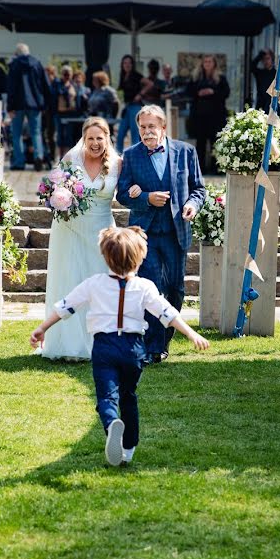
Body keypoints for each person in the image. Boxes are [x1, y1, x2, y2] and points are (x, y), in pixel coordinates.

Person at [30, 226, 210, 466]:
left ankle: (111, 422)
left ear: (105, 256)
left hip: (104, 347)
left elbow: (66, 307)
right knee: (128, 396)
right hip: (133, 348)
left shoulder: (93, 284)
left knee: (106, 397)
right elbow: (166, 313)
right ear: (140, 258)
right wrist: (190, 333)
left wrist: (42, 328)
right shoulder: (145, 286)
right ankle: (128, 451)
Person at [116, 105, 206, 363]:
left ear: (163, 128)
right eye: (142, 128)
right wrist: (146, 198)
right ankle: (154, 346)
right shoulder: (132, 155)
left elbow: (199, 189)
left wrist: (192, 205)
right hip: (144, 234)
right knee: (153, 287)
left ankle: (164, 337)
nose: (146, 132)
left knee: (176, 289)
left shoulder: (186, 152)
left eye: (151, 127)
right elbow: (122, 195)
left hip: (177, 231)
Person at [41, 117, 121, 361]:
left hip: (102, 231)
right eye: (90, 139)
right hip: (70, 230)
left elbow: (128, 191)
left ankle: (101, 343)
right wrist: (58, 196)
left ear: (107, 138)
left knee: (102, 284)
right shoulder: (70, 159)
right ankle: (68, 344)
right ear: (83, 140)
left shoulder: (118, 164)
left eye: (100, 138)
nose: (95, 143)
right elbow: (50, 189)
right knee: (70, 280)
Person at [6, 43, 50, 171]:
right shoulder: (37, 63)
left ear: (17, 54)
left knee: (16, 133)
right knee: (36, 132)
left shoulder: (14, 65)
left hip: (17, 104)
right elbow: (45, 84)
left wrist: (10, 106)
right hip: (35, 103)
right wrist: (45, 103)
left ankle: (19, 162)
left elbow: (11, 87)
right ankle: (38, 157)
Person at [186, 54, 230, 175]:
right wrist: (199, 92)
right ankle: (201, 169)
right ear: (202, 64)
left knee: (216, 143)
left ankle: (216, 168)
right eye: (205, 62)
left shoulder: (220, 78)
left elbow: (226, 93)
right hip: (199, 116)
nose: (207, 64)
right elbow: (188, 92)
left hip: (216, 116)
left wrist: (213, 91)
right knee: (200, 143)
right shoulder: (196, 77)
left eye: (210, 61)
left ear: (214, 63)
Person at [116, 55, 143, 152]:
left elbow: (149, 84)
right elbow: (120, 91)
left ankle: (135, 159)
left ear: (132, 65)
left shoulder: (136, 75)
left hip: (135, 107)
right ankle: (118, 158)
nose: (127, 65)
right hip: (127, 107)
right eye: (125, 63)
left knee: (134, 135)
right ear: (122, 65)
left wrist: (140, 94)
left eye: (129, 63)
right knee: (120, 134)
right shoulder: (123, 76)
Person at [52, 65, 80, 160]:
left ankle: (68, 159)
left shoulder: (74, 85)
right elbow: (55, 95)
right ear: (62, 74)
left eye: (69, 74)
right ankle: (60, 158)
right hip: (59, 114)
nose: (67, 76)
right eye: (65, 74)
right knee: (60, 136)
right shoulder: (57, 84)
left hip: (71, 115)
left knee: (69, 136)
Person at [251, 48, 280, 115]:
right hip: (261, 106)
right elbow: (251, 67)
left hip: (273, 106)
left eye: (268, 58)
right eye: (264, 59)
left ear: (272, 59)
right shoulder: (260, 73)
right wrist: (260, 55)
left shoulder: (278, 74)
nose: (266, 61)